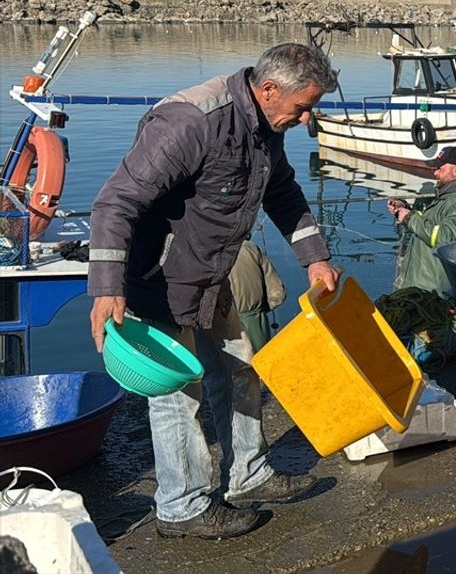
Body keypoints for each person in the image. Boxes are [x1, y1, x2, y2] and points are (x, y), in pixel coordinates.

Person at [88, 43, 341, 539]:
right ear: (269, 90)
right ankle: (181, 505)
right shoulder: (191, 123)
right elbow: (114, 203)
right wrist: (106, 289)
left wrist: (316, 258)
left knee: (242, 367)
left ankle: (247, 474)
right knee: (178, 394)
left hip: (211, 272)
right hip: (156, 279)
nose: (308, 118)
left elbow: (284, 192)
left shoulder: (268, 127)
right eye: (303, 107)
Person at [387, 146, 456, 295]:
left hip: (433, 290)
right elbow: (431, 222)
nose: (435, 172)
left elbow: (445, 238)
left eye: (440, 168)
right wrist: (404, 210)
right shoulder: (449, 197)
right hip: (420, 285)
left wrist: (410, 218)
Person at [228, 239, 286, 353]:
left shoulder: (199, 250)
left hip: (220, 326)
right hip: (257, 322)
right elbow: (278, 294)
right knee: (262, 365)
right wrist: (258, 311)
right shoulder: (250, 248)